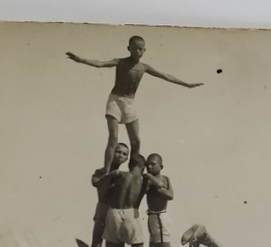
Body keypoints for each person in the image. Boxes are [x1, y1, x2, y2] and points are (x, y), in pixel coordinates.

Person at [66, 36, 203, 175]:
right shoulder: (120, 62)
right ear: (129, 48)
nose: (138, 51)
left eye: (141, 49)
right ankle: (106, 170)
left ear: (144, 50)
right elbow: (100, 63)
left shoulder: (144, 67)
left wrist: (186, 84)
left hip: (130, 104)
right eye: (135, 48)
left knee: (136, 140)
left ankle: (134, 171)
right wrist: (81, 60)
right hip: (115, 101)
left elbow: (165, 76)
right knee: (113, 137)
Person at [98, 153, 149, 247]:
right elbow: (138, 200)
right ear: (142, 167)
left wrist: (110, 175)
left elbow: (102, 186)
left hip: (114, 212)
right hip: (131, 212)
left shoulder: (120, 176)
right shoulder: (143, 179)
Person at [91, 143, 130, 247]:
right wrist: (110, 176)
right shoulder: (101, 171)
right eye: (118, 152)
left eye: (124, 154)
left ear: (126, 158)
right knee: (96, 244)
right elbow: (95, 182)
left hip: (116, 211)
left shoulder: (124, 175)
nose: (120, 155)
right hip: (103, 209)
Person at [144, 153, 175, 247]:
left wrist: (151, 178)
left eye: (153, 164)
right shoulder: (149, 181)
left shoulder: (163, 179)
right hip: (152, 218)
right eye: (147, 165)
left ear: (161, 166)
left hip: (160, 218)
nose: (149, 167)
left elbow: (170, 195)